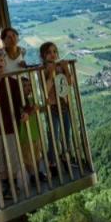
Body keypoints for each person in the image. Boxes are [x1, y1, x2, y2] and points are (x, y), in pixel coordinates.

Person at [0, 50, 29, 197]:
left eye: (1, 60)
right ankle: (5, 186)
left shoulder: (13, 82)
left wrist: (24, 112)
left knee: (12, 155)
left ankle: (13, 183)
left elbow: (21, 101)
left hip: (11, 124)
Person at [39, 42, 72, 172]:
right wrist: (51, 74)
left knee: (66, 133)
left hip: (64, 104)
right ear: (43, 55)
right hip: (52, 106)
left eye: (54, 51)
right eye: (49, 52)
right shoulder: (42, 69)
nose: (52, 54)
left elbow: (70, 83)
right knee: (53, 135)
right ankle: (52, 163)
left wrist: (66, 69)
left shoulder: (60, 66)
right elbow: (45, 90)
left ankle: (65, 157)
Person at [18, 76, 45, 182]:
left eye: (29, 85)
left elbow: (39, 109)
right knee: (27, 158)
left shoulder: (32, 99)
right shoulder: (18, 102)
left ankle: (38, 172)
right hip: (24, 135)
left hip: (35, 133)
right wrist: (32, 111)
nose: (28, 88)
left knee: (37, 155)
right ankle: (32, 176)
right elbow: (21, 115)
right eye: (25, 86)